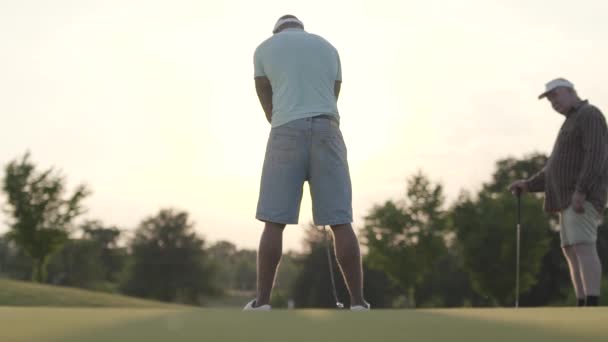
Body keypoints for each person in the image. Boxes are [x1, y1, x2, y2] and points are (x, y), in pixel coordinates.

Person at [243, 15, 369, 310]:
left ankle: (261, 303)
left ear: (277, 30)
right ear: (301, 27)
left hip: (285, 129)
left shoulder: (264, 48)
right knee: (341, 221)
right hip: (328, 128)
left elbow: (264, 92)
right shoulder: (328, 47)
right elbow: (333, 92)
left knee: (273, 221)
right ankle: (358, 302)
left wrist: (277, 119)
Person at [509, 78, 607, 306]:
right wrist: (529, 184)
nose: (553, 102)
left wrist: (581, 191)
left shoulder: (589, 114)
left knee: (583, 246)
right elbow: (555, 167)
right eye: (549, 99)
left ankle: (591, 303)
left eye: (556, 95)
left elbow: (597, 156)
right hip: (566, 199)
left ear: (571, 91)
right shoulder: (570, 121)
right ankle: (582, 302)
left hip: (581, 196)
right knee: (571, 250)